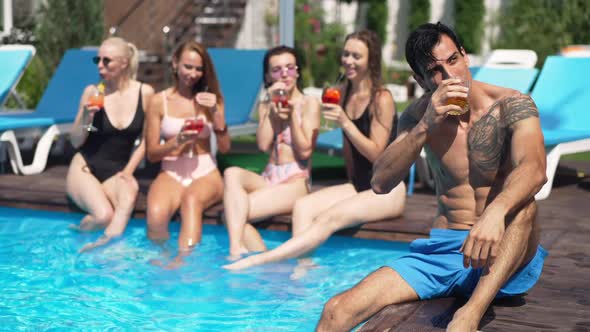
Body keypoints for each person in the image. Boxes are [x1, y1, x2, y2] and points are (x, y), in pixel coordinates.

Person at [316, 22, 548, 332]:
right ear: (421, 79)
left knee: (525, 205)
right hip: (444, 252)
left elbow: (534, 170)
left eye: (453, 60)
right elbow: (380, 182)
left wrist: (494, 211)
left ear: (465, 56)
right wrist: (426, 124)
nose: (449, 75)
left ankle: (469, 314)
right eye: (435, 70)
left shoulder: (511, 105)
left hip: (504, 249)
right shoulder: (418, 116)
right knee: (336, 311)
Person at [224, 30, 406, 271]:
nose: (348, 61)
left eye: (356, 56)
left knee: (328, 218)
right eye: (346, 54)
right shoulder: (343, 93)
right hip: (359, 185)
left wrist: (344, 123)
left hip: (387, 189)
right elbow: (263, 144)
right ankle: (303, 268)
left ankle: (262, 260)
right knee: (303, 206)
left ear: (371, 60)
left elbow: (377, 155)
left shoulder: (381, 98)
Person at [223, 45, 321, 258]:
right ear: (268, 76)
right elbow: (262, 145)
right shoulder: (266, 104)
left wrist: (291, 114)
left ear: (297, 71)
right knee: (231, 174)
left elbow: (305, 151)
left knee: (235, 214)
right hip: (269, 176)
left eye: (289, 68)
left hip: (296, 180)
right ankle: (251, 253)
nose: (284, 74)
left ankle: (241, 254)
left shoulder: (309, 103)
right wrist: (271, 112)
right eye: (276, 70)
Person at [144, 40, 230, 264]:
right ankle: (161, 261)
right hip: (172, 170)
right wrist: (178, 141)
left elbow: (225, 148)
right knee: (155, 214)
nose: (193, 74)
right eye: (188, 67)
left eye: (199, 68)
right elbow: (152, 154)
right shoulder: (158, 102)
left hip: (205, 172)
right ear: (175, 64)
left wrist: (216, 113)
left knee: (191, 201)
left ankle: (183, 263)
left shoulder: (212, 100)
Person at [67, 37, 154, 252]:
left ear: (124, 63)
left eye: (107, 61)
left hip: (117, 170)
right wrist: (86, 116)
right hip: (85, 167)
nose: (100, 66)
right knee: (103, 215)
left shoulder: (145, 93)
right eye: (98, 60)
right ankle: (79, 234)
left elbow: (146, 139)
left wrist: (128, 171)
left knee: (130, 190)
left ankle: (107, 246)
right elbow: (76, 140)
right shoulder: (92, 92)